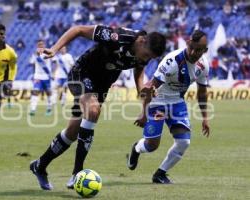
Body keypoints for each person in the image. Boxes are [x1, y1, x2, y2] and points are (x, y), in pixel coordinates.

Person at [29, 24, 166, 190]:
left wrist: (142, 90)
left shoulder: (144, 53)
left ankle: (39, 166)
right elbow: (78, 29)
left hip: (102, 85)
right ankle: (77, 173)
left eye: (149, 58)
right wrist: (55, 49)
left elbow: (139, 72)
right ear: (142, 41)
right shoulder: (116, 36)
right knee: (93, 110)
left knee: (72, 133)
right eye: (146, 55)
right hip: (82, 73)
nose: (145, 59)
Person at [126, 30, 210, 184]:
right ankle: (137, 148)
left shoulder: (203, 65)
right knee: (152, 145)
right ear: (187, 43)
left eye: (198, 49)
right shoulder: (172, 61)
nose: (192, 52)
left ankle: (160, 174)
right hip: (158, 102)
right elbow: (151, 88)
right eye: (191, 46)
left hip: (177, 103)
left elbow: (202, 93)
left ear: (205, 50)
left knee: (184, 142)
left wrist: (205, 117)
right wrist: (143, 113)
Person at [29, 40, 53, 116]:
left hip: (46, 76)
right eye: (39, 45)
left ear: (44, 46)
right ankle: (33, 109)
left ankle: (49, 108)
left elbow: (54, 60)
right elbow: (31, 63)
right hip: (38, 76)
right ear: (37, 46)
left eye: (42, 45)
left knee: (48, 93)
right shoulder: (34, 55)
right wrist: (34, 75)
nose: (40, 47)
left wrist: (53, 73)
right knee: (35, 92)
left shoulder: (48, 52)